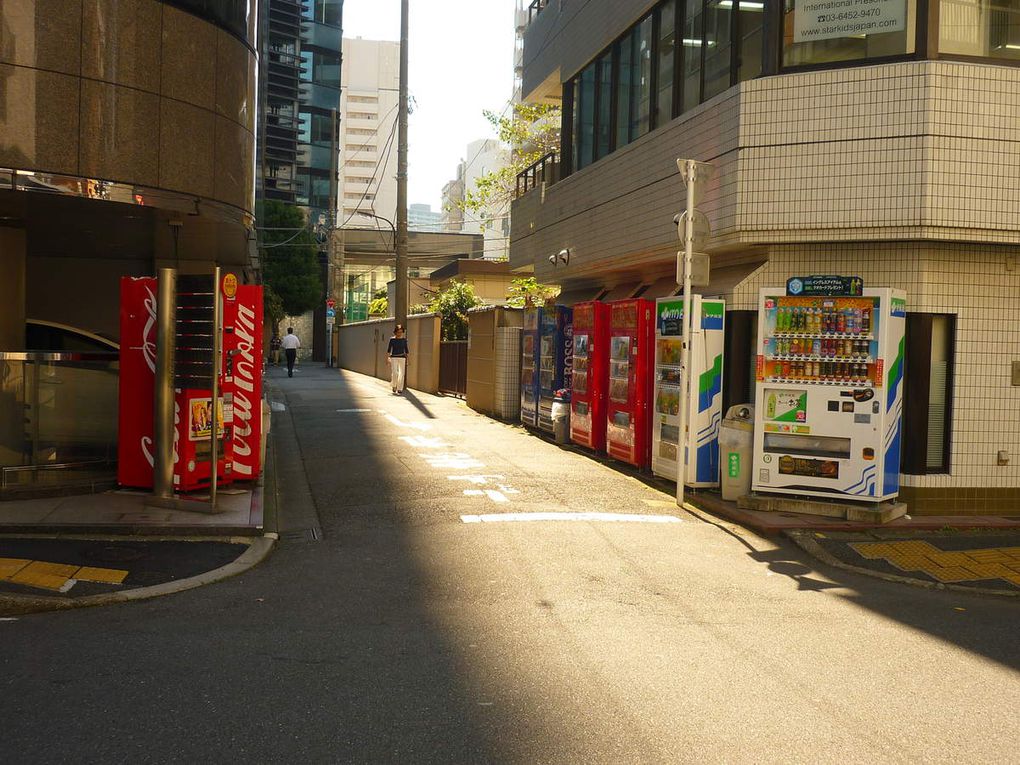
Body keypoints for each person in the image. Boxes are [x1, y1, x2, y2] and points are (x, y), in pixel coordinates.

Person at [386, 324, 409, 394]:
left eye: (401, 332)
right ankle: (394, 385)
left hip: (402, 357)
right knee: (395, 373)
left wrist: (408, 360)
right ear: (395, 332)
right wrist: (387, 358)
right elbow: (389, 350)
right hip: (394, 357)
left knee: (402, 373)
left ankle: (399, 388)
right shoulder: (392, 340)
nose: (400, 333)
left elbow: (407, 350)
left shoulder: (404, 340)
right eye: (398, 332)